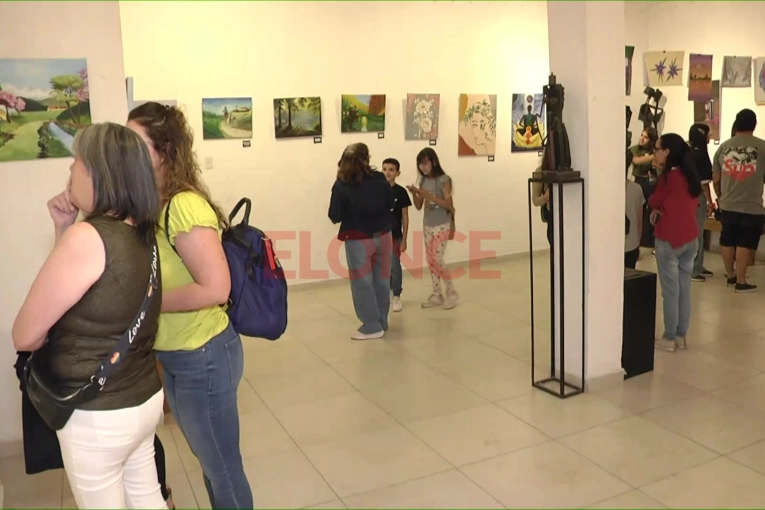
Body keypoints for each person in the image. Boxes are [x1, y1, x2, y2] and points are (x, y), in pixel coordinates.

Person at [12, 123, 167, 509]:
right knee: (147, 498)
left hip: (98, 415)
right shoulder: (141, 233)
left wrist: (69, 232)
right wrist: (64, 227)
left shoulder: (88, 238)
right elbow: (89, 297)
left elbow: (25, 335)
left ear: (101, 173)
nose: (69, 173)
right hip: (142, 400)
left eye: (75, 163)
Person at [127, 102, 253, 509]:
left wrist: (149, 301)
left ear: (163, 151)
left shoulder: (182, 205)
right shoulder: (153, 203)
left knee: (222, 467)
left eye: (136, 144)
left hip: (205, 356)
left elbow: (217, 288)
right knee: (209, 460)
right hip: (178, 354)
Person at [328, 143, 394, 339]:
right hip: (384, 235)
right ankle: (382, 320)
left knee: (362, 282)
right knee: (382, 280)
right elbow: (390, 204)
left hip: (358, 238)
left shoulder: (342, 184)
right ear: (367, 159)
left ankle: (371, 326)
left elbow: (334, 215)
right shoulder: (380, 178)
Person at [649, 133, 702, 352]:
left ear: (667, 152)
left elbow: (653, 199)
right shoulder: (690, 175)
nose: (655, 152)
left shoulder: (668, 177)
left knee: (670, 290)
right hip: (691, 238)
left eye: (657, 148)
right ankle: (681, 335)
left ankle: (669, 337)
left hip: (670, 239)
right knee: (684, 288)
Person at [713, 109, 765, 293]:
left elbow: (716, 178)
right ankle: (741, 281)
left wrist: (720, 196)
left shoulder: (724, 147)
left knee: (727, 238)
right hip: (751, 205)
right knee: (744, 241)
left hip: (727, 203)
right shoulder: (762, 147)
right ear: (754, 124)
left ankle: (730, 275)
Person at [407, 148, 458, 309]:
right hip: (427, 224)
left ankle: (451, 292)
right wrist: (415, 193)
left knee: (437, 259)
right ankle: (437, 294)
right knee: (430, 260)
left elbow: (449, 205)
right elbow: (418, 205)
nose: (423, 167)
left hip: (441, 223)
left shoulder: (444, 180)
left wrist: (430, 196)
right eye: (420, 164)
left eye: (425, 163)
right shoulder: (423, 181)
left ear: (433, 162)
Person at [382, 157, 412, 312]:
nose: (387, 172)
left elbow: (405, 216)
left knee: (394, 266)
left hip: (394, 236)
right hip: (379, 236)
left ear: (397, 173)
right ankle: (384, 291)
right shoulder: (377, 190)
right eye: (385, 169)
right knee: (382, 267)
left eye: (391, 170)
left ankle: (396, 295)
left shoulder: (401, 192)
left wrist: (404, 239)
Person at [689, 123, 714, 282]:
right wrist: (711, 202)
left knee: (697, 233)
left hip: (688, 198)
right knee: (697, 234)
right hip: (698, 198)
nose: (709, 137)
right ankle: (693, 269)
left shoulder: (688, 153)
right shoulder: (701, 155)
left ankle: (698, 265)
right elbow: (704, 183)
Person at [631, 128, 659, 251]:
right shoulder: (635, 149)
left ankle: (652, 242)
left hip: (651, 182)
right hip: (639, 181)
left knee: (653, 210)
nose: (642, 138)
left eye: (646, 137)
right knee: (638, 211)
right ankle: (637, 242)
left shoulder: (653, 150)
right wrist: (653, 157)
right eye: (641, 135)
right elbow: (637, 161)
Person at [625, 148, 644, 269]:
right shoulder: (636, 189)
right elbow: (639, 220)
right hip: (631, 244)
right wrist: (638, 243)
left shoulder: (605, 191)